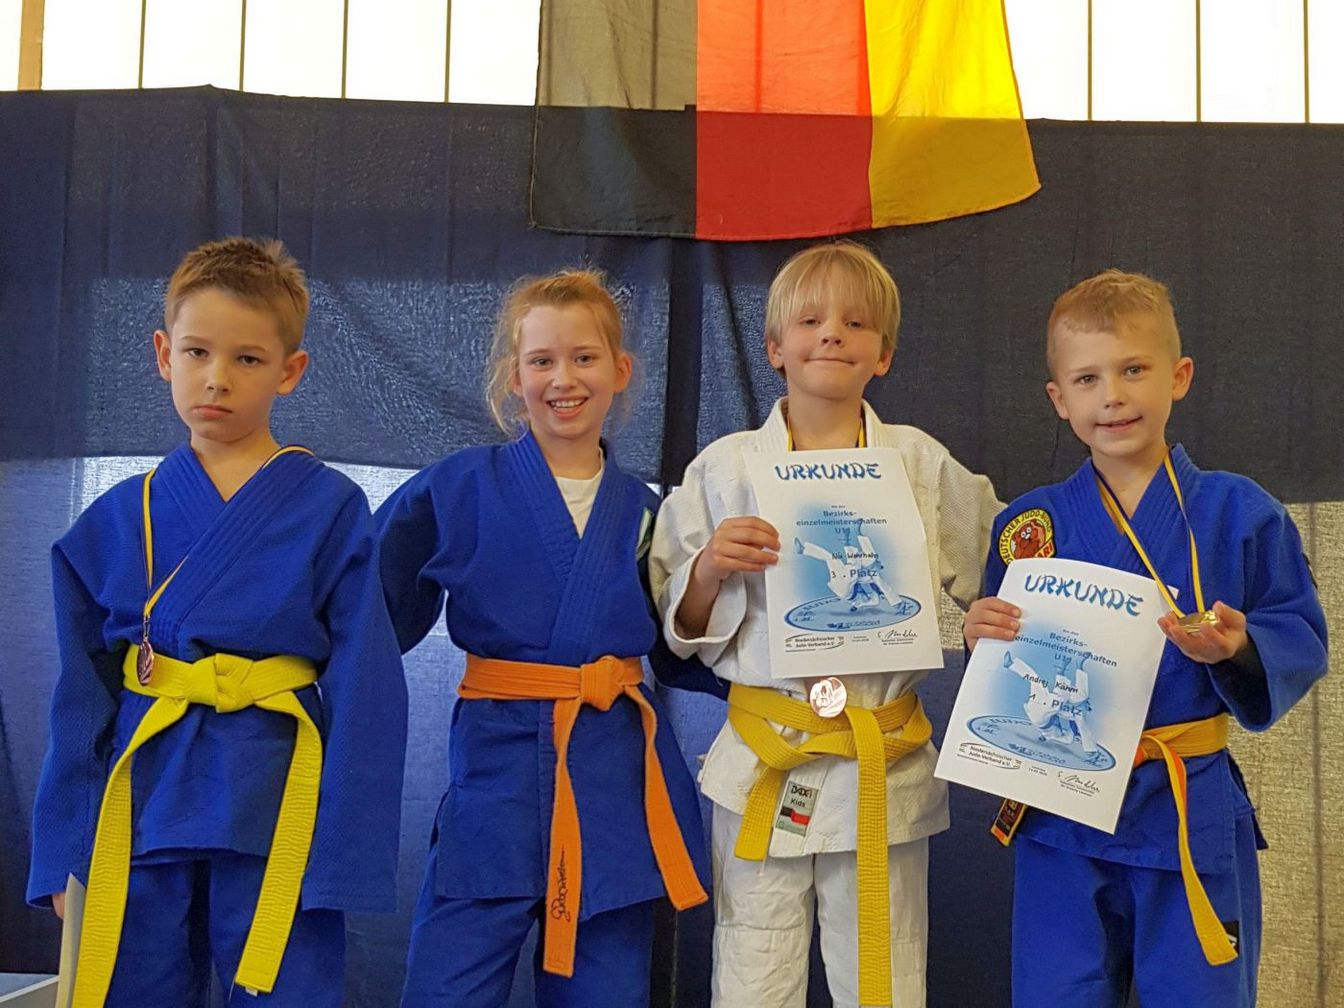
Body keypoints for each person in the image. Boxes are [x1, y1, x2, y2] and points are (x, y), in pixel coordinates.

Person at [28, 237, 409, 1008]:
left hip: (278, 798)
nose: (217, 378)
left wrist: (342, 855)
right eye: (198, 352)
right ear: (163, 354)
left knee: (286, 987)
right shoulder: (114, 521)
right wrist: (62, 849)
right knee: (132, 986)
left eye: (248, 359)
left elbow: (367, 687)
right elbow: (80, 702)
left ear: (289, 371)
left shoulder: (330, 509)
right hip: (144, 794)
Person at [964, 268, 1328, 1007]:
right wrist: (982, 636)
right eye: (1088, 378)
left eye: (1134, 370)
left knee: (1199, 994)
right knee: (1057, 994)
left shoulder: (1240, 512)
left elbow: (1298, 630)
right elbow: (1008, 655)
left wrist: (1239, 647)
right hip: (1061, 810)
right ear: (1059, 399)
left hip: (1185, 805)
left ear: (1178, 376)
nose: (1113, 396)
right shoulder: (1030, 525)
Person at [650, 241, 1000, 1008]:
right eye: (810, 321)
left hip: (881, 764)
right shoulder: (725, 469)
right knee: (752, 971)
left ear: (885, 353)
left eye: (855, 323)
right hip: (766, 754)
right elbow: (678, 625)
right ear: (775, 346)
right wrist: (709, 568)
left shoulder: (920, 463)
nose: (832, 333)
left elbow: (1000, 566)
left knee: (886, 974)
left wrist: (991, 617)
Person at [376, 270, 718, 1008]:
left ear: (620, 370)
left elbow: (681, 642)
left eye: (584, 357)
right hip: (495, 776)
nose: (564, 379)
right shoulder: (458, 487)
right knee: (444, 990)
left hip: (611, 783)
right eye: (542, 361)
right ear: (515, 377)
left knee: (607, 993)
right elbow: (369, 601)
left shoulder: (649, 511)